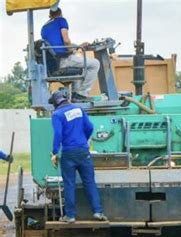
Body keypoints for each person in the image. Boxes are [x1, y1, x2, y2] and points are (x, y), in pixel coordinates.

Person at [49, 90, 107, 223]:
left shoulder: (57, 114)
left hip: (69, 153)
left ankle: (70, 216)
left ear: (55, 103)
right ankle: (98, 212)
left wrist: (54, 151)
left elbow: (58, 134)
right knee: (90, 182)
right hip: (83, 151)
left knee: (69, 184)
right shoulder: (79, 110)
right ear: (65, 99)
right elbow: (90, 127)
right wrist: (83, 141)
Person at [41, 6, 100, 102]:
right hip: (63, 60)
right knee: (95, 64)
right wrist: (76, 48)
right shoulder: (61, 20)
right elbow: (66, 41)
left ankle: (75, 96)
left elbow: (58, 44)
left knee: (80, 68)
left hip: (53, 64)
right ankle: (81, 94)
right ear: (61, 14)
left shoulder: (44, 28)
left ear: (49, 15)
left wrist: (77, 46)